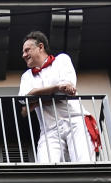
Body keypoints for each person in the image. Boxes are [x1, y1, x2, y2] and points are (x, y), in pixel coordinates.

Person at [18, 32, 93, 164]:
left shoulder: (61, 60)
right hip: (49, 130)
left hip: (75, 120)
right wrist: (56, 88)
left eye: (27, 50)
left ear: (40, 47)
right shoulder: (26, 76)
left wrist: (37, 100)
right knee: (45, 168)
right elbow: (25, 98)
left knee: (84, 163)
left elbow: (68, 91)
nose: (23, 55)